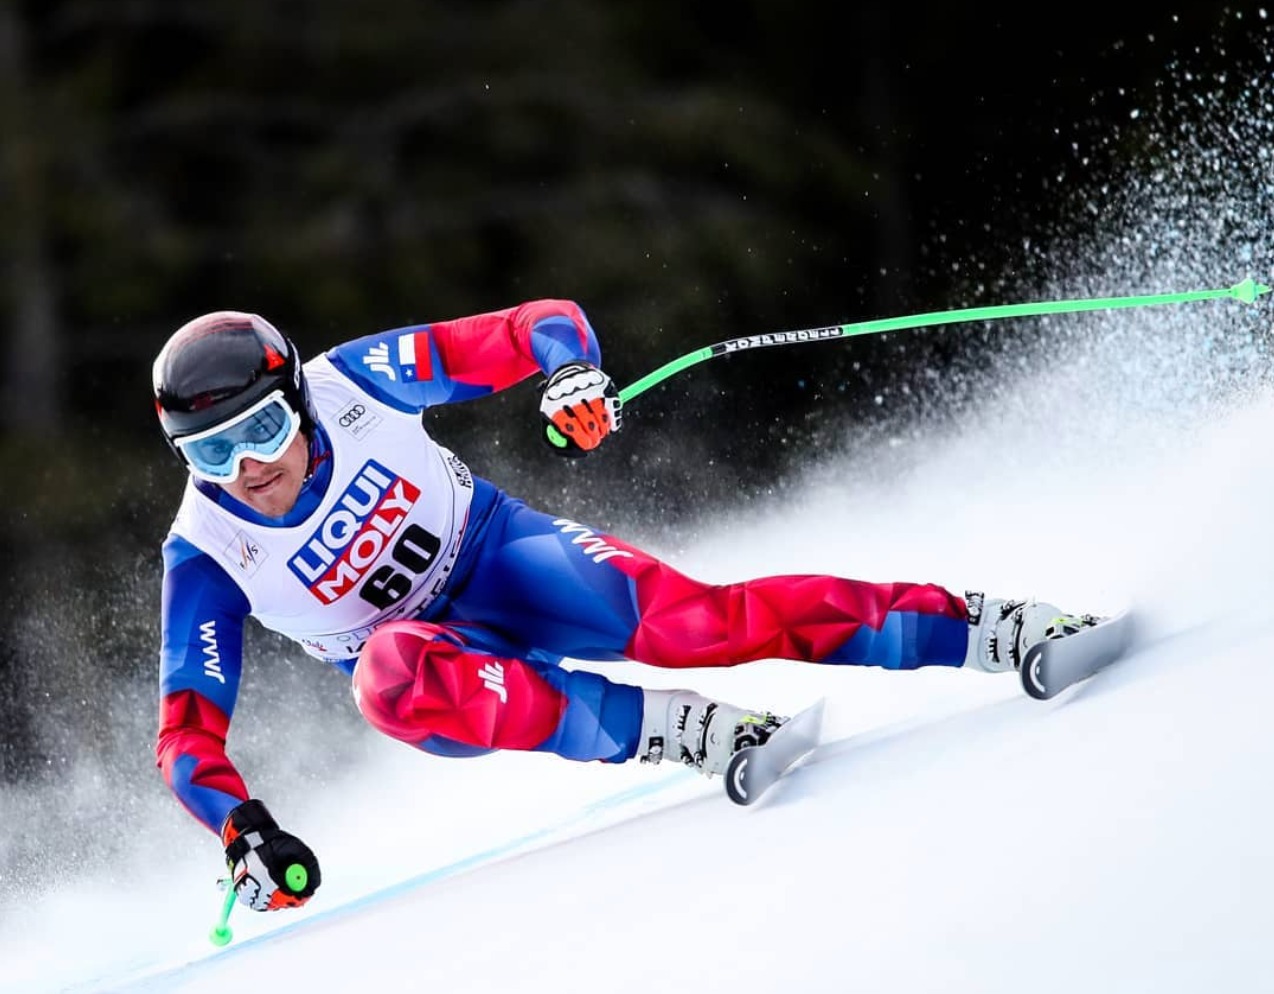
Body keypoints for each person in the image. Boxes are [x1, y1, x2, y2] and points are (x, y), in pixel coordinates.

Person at [152, 302, 1092, 914]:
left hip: (498, 555)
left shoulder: (353, 382)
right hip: (435, 673)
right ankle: (682, 733)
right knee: (386, 676)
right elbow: (186, 736)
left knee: (697, 625)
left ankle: (990, 628)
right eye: (212, 457)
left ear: (300, 402)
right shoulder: (205, 552)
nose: (252, 472)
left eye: (264, 431)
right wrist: (246, 832)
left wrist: (569, 376)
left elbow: (538, 326)